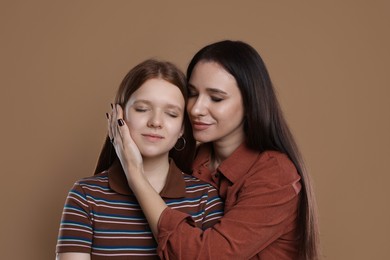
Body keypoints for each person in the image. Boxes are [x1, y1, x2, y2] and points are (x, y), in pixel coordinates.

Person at [109, 40, 320, 260]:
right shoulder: (191, 159)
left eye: (216, 98)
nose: (197, 109)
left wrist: (135, 174)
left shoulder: (276, 175)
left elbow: (205, 255)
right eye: (192, 93)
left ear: (250, 103)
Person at [55, 59, 224, 260]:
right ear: (119, 116)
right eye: (142, 109)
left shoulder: (205, 199)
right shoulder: (85, 196)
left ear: (181, 129)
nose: (155, 122)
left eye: (171, 114)